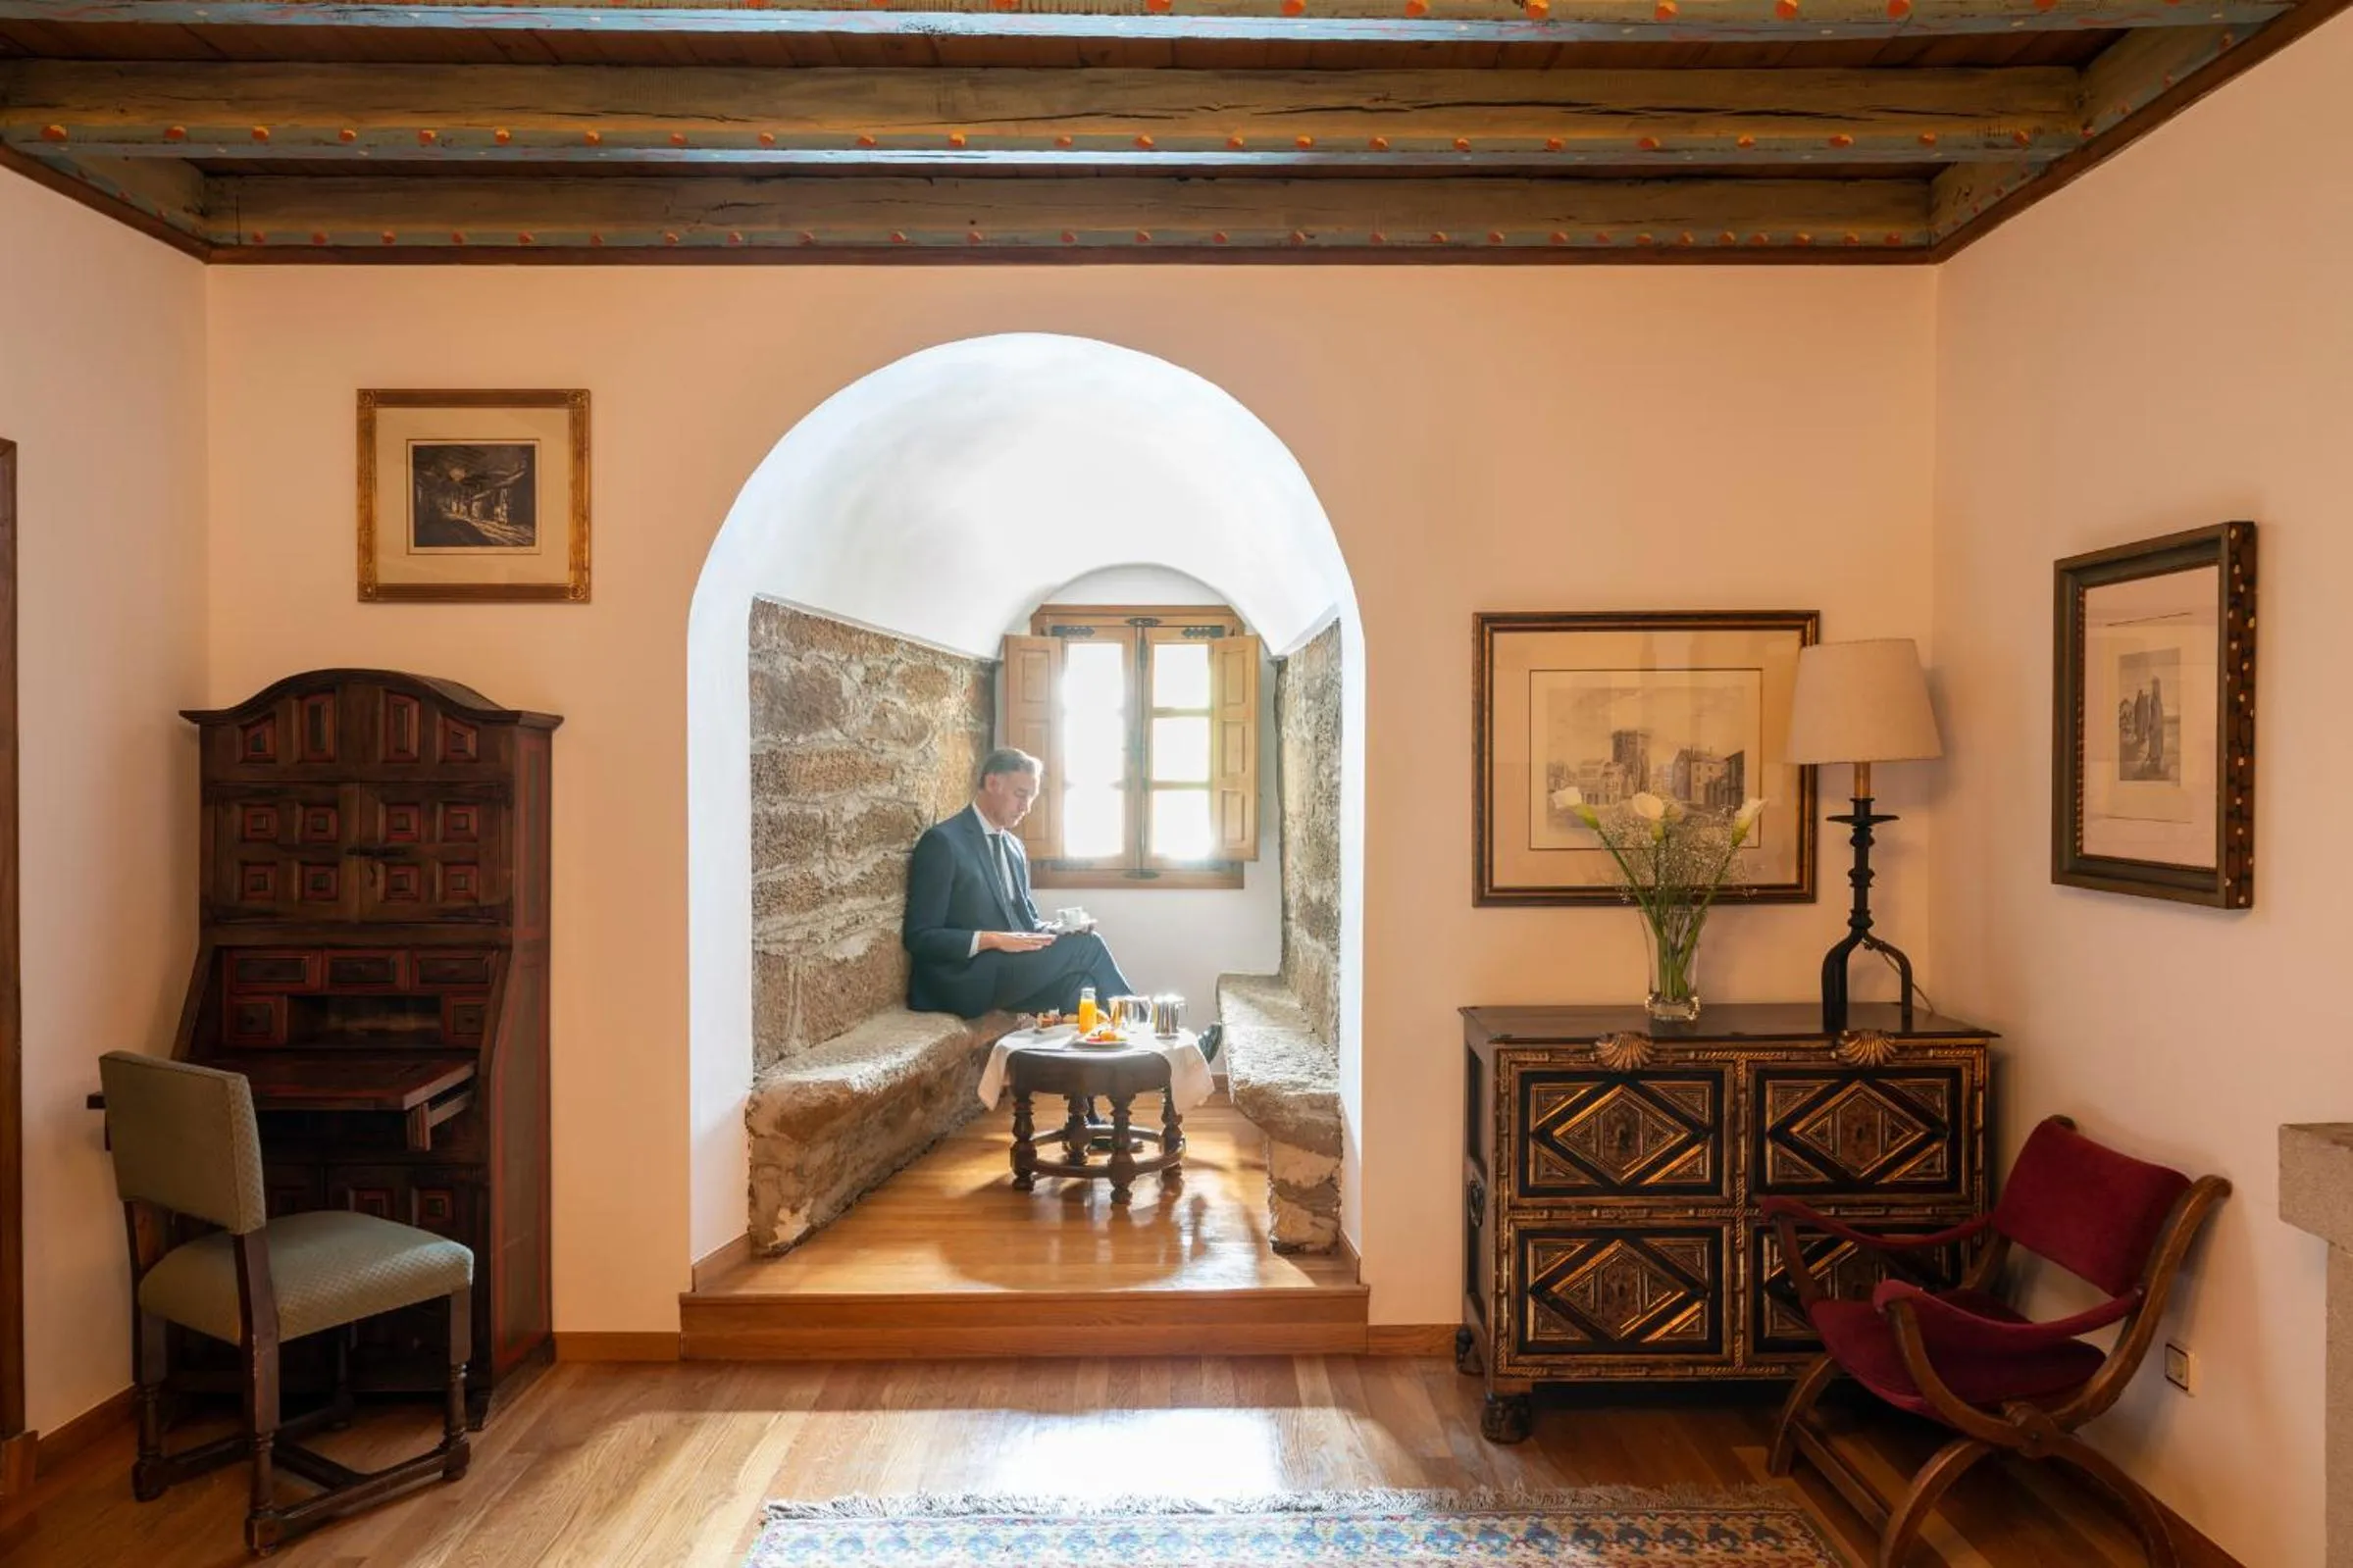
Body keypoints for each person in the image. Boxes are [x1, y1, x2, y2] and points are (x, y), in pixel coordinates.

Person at [902, 747, 1135, 1019]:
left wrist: (1061, 930)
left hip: (1007, 972)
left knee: (1080, 985)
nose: (1026, 807)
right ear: (992, 783)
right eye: (1020, 795)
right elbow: (920, 937)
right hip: (962, 978)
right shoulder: (943, 843)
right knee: (1088, 946)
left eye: (1032, 797)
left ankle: (1093, 1056)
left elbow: (1026, 923)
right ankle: (1139, 1025)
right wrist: (992, 939)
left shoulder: (1014, 848)